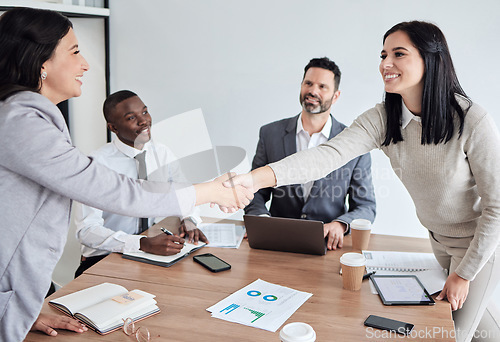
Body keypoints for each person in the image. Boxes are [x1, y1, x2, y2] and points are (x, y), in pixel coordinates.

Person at [228, 21, 500, 341]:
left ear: (431, 59)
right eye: (383, 54)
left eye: (399, 54)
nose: (385, 63)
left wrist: (464, 274)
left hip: (481, 246)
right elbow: (326, 155)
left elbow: (496, 207)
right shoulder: (384, 118)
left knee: (451, 333)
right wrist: (252, 179)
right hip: (438, 240)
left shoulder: (471, 119)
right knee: (482, 329)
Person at [0, 8, 252, 341]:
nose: (85, 64)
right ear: (42, 62)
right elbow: (117, 192)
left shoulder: (29, 118)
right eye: (75, 52)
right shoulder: (22, 122)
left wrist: (23, 311)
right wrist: (211, 191)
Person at [244, 57, 375, 250]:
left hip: (328, 246)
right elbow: (254, 191)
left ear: (336, 96)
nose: (313, 91)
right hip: (275, 242)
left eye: (322, 86)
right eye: (308, 83)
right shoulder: (269, 134)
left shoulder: (354, 142)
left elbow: (366, 206)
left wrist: (341, 224)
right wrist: (262, 221)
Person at [74, 90, 208, 278]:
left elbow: (185, 194)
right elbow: (87, 230)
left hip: (154, 252)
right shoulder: (95, 164)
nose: (143, 121)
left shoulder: (162, 153)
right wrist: (141, 243)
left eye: (145, 112)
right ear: (113, 127)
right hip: (107, 258)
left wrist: (190, 219)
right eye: (131, 117)